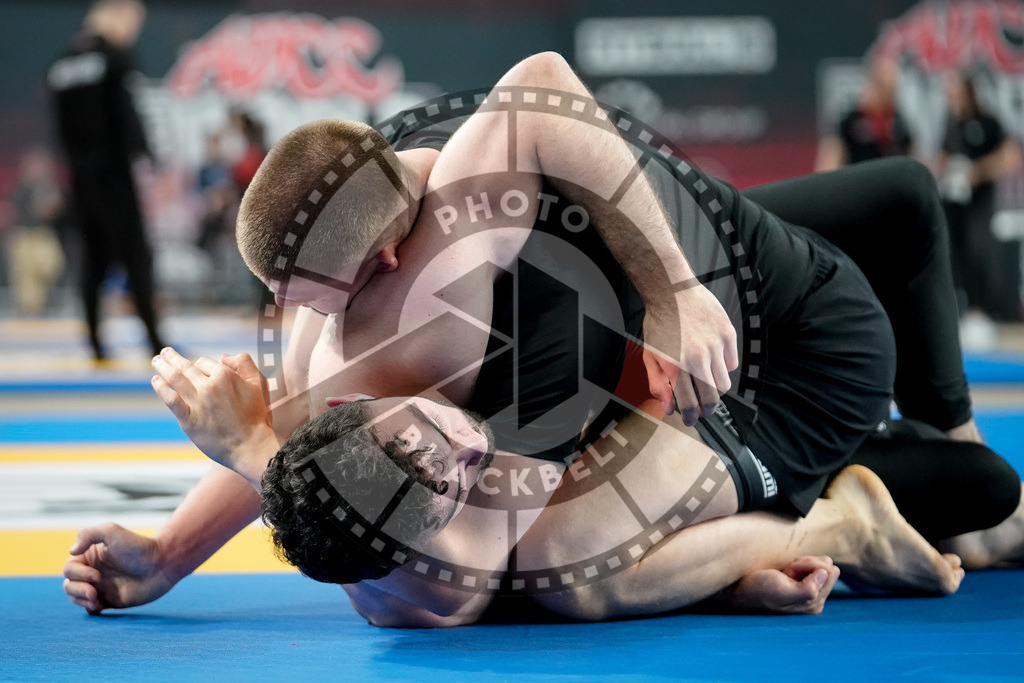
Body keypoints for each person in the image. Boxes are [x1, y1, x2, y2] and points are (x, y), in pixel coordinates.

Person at [63, 53, 1009, 621]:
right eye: (295, 302)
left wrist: (678, 289)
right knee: (897, 203)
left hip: (791, 351)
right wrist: (167, 553)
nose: (316, 322)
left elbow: (460, 587)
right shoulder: (354, 273)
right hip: (664, 349)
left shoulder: (453, 263)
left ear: (391, 256)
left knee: (560, 574)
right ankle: (919, 474)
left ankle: (849, 510)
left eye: (328, 295)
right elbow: (328, 456)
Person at [48, 0, 166, 361]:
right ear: (119, 16)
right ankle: (154, 343)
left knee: (93, 260)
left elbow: (61, 130)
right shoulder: (115, 58)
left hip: (80, 179)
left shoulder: (62, 63)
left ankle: (96, 344)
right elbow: (127, 114)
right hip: (114, 175)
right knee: (136, 256)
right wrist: (147, 155)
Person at [937, 73, 1023, 345]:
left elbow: (1010, 156)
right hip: (954, 201)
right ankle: (967, 309)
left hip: (980, 201)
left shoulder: (987, 122)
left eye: (956, 93)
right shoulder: (951, 124)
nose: (952, 100)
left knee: (979, 249)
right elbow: (941, 156)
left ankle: (984, 311)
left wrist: (978, 171)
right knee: (956, 252)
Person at [816, 57, 913, 172]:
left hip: (890, 181)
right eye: (885, 88)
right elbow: (832, 154)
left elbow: (911, 154)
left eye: (893, 89)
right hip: (858, 181)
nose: (891, 94)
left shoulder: (898, 120)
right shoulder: (853, 119)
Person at [4, 149, 66, 315]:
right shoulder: (20, 189)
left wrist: (51, 206)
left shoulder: (50, 187)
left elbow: (55, 210)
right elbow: (13, 212)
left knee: (49, 268)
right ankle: (30, 311)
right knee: (26, 280)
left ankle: (48, 302)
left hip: (44, 235)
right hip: (24, 236)